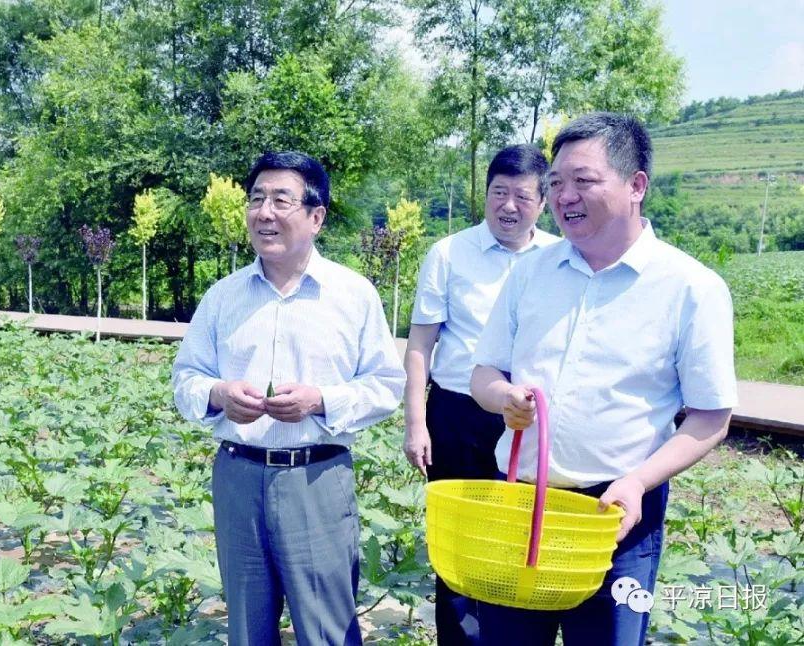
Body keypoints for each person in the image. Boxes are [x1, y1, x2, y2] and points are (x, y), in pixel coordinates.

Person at [469, 112, 736, 646]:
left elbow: (711, 418)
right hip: (523, 507)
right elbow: (483, 372)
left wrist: (637, 482)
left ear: (636, 185)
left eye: (583, 181)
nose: (565, 196)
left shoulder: (691, 288)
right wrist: (502, 397)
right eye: (557, 183)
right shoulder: (530, 273)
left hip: (615, 517)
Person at [172, 151, 404, 645]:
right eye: (256, 199)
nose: (264, 213)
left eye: (281, 200)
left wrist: (320, 400)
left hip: (316, 477)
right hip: (238, 474)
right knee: (247, 626)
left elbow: (386, 385)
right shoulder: (223, 296)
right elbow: (186, 377)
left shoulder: (353, 294)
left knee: (326, 630)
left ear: (316, 217)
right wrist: (217, 393)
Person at [403, 144, 559, 643]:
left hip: (528, 421)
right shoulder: (449, 254)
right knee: (458, 547)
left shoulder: (561, 258)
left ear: (543, 201)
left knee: (520, 542)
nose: (508, 206)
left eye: (522, 196)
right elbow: (420, 346)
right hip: (458, 416)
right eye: (498, 193)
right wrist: (416, 422)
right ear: (485, 194)